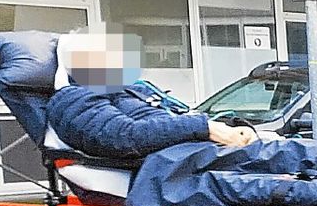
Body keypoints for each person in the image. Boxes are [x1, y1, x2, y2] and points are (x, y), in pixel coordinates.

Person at [47, 30, 255, 159]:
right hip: (184, 162)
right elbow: (123, 136)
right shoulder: (74, 97)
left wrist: (237, 128)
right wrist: (205, 128)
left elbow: (184, 114)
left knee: (281, 150)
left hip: (205, 153)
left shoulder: (132, 89)